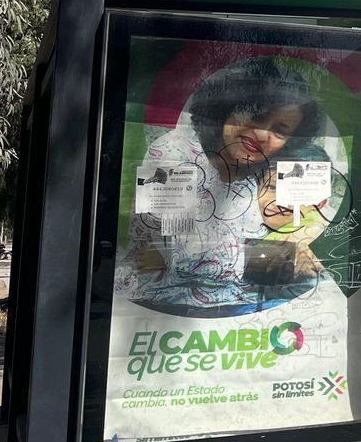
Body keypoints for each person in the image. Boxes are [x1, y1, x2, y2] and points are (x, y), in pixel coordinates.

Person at [118, 56, 333, 317]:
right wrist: (284, 256)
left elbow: (309, 218)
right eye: (257, 115)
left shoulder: (261, 170)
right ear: (229, 106)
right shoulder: (174, 152)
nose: (263, 134)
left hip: (240, 316)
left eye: (280, 130)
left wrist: (301, 239)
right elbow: (173, 256)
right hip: (165, 311)